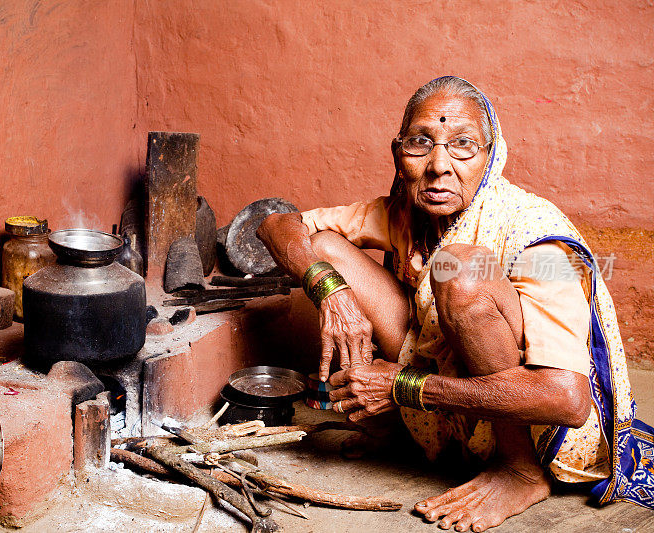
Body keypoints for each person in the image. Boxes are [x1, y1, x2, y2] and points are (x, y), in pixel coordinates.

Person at [256, 76, 654, 532]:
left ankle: (518, 471)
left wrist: (405, 388)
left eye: (463, 144)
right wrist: (329, 291)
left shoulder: (536, 238)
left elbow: (566, 400)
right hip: (455, 397)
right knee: (324, 248)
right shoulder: (406, 210)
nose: (439, 165)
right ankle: (388, 425)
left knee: (458, 271)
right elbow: (275, 225)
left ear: (491, 156)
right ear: (397, 153)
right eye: (420, 143)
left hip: (538, 427)